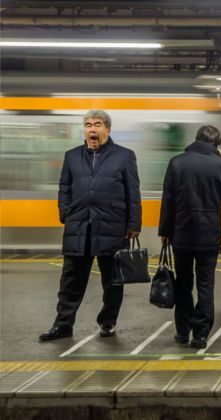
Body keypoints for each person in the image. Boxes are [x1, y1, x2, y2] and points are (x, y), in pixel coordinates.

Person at [40, 110, 141, 341]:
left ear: (108, 129)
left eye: (97, 124)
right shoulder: (72, 156)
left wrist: (134, 223)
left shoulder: (125, 156)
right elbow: (64, 187)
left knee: (113, 281)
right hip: (79, 227)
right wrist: (65, 212)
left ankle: (108, 321)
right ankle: (63, 324)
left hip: (113, 227)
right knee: (70, 281)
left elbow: (133, 193)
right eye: (88, 124)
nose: (92, 129)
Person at [159, 125, 221, 349]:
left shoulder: (177, 162)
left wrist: (165, 231)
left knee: (183, 283)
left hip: (181, 233)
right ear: (217, 143)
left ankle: (183, 331)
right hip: (209, 235)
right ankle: (201, 334)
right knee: (205, 284)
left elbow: (169, 199)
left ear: (195, 140)